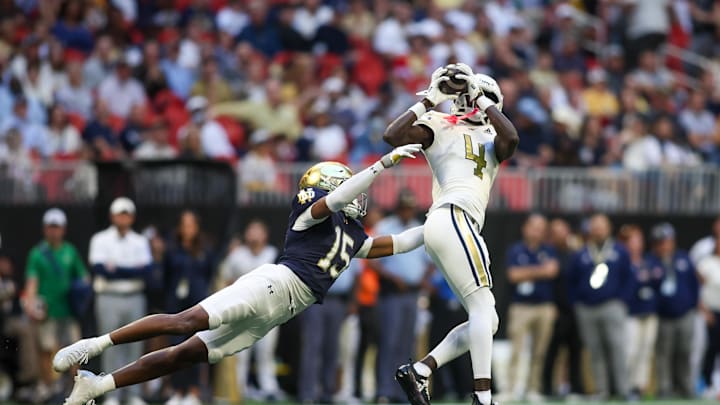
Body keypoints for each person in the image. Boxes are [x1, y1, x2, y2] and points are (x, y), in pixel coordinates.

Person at [54, 145, 426, 405]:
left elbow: (403, 242)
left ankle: (97, 385)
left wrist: (446, 220)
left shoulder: (355, 235)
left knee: (184, 355)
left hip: (281, 312)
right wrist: (381, 166)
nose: (362, 198)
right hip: (271, 286)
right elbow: (332, 202)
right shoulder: (311, 211)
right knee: (185, 322)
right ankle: (95, 345)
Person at [384, 63, 519, 405]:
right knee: (481, 306)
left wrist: (481, 96)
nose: (474, 101)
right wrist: (429, 100)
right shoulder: (440, 124)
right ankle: (484, 397)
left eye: (485, 98)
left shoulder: (493, 137)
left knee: (487, 319)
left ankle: (423, 370)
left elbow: (512, 138)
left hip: (459, 226)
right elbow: (393, 136)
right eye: (472, 95)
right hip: (451, 216)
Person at [88, 197, 153, 405]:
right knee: (110, 346)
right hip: (109, 297)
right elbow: (99, 269)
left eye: (126, 214)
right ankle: (112, 395)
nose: (123, 218)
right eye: (119, 214)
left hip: (134, 297)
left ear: (131, 217)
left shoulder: (140, 241)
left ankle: (133, 394)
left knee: (135, 347)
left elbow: (146, 271)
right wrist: (130, 270)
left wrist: (116, 269)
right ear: (112, 216)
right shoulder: (100, 239)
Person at [373, 190, 433, 403]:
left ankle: (402, 391)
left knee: (407, 343)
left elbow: (431, 260)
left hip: (413, 293)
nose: (407, 212)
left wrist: (425, 278)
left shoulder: (420, 228)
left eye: (410, 208)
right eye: (404, 208)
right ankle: (384, 390)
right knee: (389, 341)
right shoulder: (385, 227)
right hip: (391, 292)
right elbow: (374, 261)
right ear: (397, 208)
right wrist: (393, 278)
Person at [24, 208, 88, 398]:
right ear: (45, 229)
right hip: (48, 312)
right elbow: (31, 283)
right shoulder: (37, 254)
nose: (53, 231)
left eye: (57, 227)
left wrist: (81, 294)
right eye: (50, 227)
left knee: (75, 351)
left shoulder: (70, 251)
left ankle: (75, 388)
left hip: (69, 311)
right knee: (46, 350)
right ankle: (49, 387)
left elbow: (84, 277)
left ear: (63, 229)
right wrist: (30, 304)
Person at [568, 214, 633, 400]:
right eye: (594, 226)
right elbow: (571, 280)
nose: (598, 230)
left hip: (612, 305)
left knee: (617, 348)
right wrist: (577, 303)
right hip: (587, 308)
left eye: (601, 226)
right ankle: (601, 390)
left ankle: (623, 390)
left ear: (609, 228)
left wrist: (622, 301)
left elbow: (629, 277)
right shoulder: (581, 253)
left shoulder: (620, 251)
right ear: (590, 229)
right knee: (594, 350)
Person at [221, 220, 283, 401]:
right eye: (251, 230)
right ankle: (238, 388)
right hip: (241, 310)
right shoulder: (237, 254)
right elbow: (226, 280)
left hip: (268, 310)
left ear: (265, 234)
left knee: (266, 352)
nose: (254, 234)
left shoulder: (273, 253)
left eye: (258, 230)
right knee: (240, 352)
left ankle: (268, 388)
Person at [503, 214, 558, 402]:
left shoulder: (549, 250)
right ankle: (511, 388)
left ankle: (533, 388)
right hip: (521, 306)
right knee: (516, 349)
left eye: (541, 228)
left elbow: (553, 271)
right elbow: (513, 275)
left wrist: (528, 272)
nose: (537, 231)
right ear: (525, 228)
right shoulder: (515, 249)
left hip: (544, 306)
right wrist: (540, 270)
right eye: (534, 226)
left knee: (539, 351)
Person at [164, 211, 216, 405]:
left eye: (191, 224)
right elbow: (166, 276)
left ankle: (194, 392)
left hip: (198, 306)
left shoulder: (205, 249)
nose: (188, 228)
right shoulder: (172, 249)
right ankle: (178, 390)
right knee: (176, 349)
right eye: (184, 224)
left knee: (195, 347)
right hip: (176, 307)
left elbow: (210, 273)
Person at [648, 223, 699, 398]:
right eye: (661, 242)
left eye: (667, 241)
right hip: (663, 315)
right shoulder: (651, 262)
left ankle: (685, 386)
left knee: (685, 351)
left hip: (685, 314)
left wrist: (692, 305)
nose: (665, 245)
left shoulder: (683, 258)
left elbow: (694, 284)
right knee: (664, 354)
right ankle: (664, 388)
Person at [617, 225, 660, 398]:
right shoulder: (622, 263)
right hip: (630, 313)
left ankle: (638, 386)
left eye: (639, 239)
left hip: (649, 312)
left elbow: (658, 284)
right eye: (633, 240)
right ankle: (624, 386)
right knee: (630, 350)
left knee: (646, 350)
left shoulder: (649, 261)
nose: (637, 243)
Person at [697, 237, 720, 398]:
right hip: (711, 311)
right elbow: (696, 288)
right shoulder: (706, 262)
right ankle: (707, 383)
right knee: (711, 348)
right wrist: (704, 310)